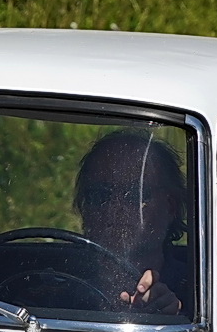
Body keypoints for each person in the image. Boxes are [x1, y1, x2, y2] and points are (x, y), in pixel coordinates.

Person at [73, 129, 190, 316]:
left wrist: (176, 317)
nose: (114, 208)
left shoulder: (201, 292)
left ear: (171, 207)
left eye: (135, 195)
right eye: (100, 195)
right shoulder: (55, 280)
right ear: (84, 205)